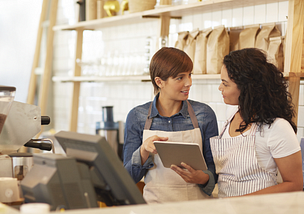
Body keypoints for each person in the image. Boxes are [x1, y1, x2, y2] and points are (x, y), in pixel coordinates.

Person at [123, 47, 219, 203]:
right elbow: (127, 178)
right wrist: (143, 151)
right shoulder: (137, 117)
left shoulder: (204, 114)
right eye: (180, 78)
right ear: (159, 82)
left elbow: (215, 171)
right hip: (155, 207)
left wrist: (202, 178)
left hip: (197, 208)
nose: (189, 83)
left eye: (189, 75)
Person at [211, 48, 303, 198]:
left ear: (247, 88)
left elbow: (294, 184)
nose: (220, 88)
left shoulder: (277, 127)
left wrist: (240, 201)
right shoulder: (231, 115)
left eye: (225, 84)